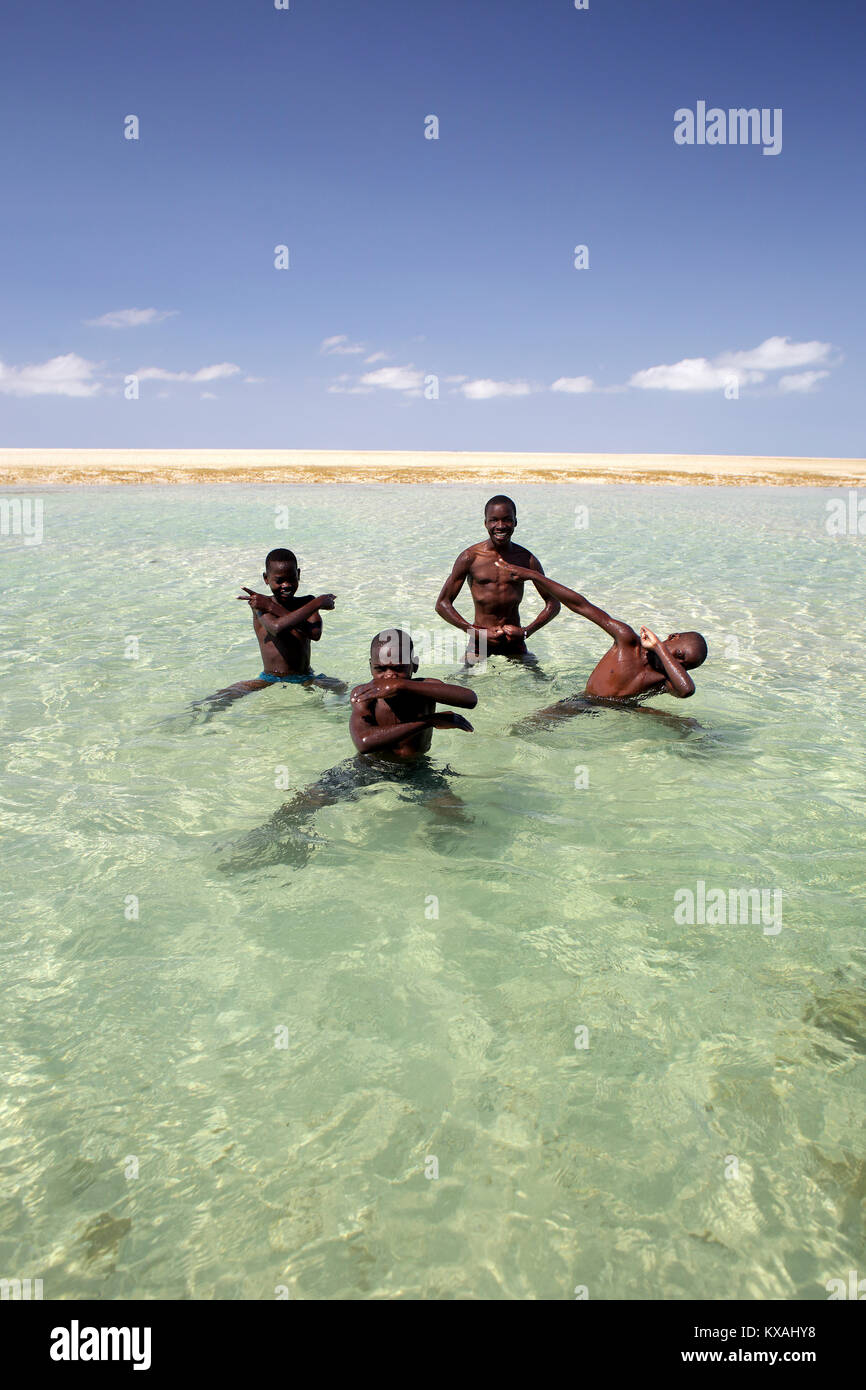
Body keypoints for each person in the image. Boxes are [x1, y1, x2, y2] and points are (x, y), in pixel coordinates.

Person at [220, 629, 476, 872]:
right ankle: (263, 850)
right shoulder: (363, 695)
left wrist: (404, 686)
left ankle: (435, 861)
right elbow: (364, 743)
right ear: (370, 667)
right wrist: (428, 721)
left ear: (414, 665)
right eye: (380, 669)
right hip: (368, 769)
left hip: (415, 770)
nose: (389, 676)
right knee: (302, 805)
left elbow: (469, 698)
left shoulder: (424, 688)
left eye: (398, 669)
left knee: (459, 816)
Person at [493, 558, 707, 724]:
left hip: (624, 708)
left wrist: (660, 648)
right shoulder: (628, 641)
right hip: (585, 701)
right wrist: (534, 576)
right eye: (679, 656)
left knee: (690, 727)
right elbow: (581, 605)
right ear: (673, 637)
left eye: (685, 666)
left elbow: (686, 690)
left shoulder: (666, 680)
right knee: (525, 728)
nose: (677, 665)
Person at [202, 548, 346, 706]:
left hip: (305, 676)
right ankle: (193, 715)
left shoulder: (307, 602)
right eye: (279, 581)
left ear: (299, 574)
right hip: (270, 678)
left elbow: (314, 633)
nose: (286, 585)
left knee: (342, 688)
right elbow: (276, 628)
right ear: (266, 578)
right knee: (222, 698)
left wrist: (310, 603)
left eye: (292, 579)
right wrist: (317, 603)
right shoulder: (260, 605)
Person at [435, 495, 560, 666]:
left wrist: (525, 632)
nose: (500, 526)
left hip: (514, 640)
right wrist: (475, 633)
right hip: (480, 640)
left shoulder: (526, 559)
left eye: (507, 520)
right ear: (485, 523)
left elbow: (553, 604)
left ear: (516, 522)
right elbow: (442, 604)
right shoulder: (470, 557)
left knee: (542, 683)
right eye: (494, 520)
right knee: (461, 682)